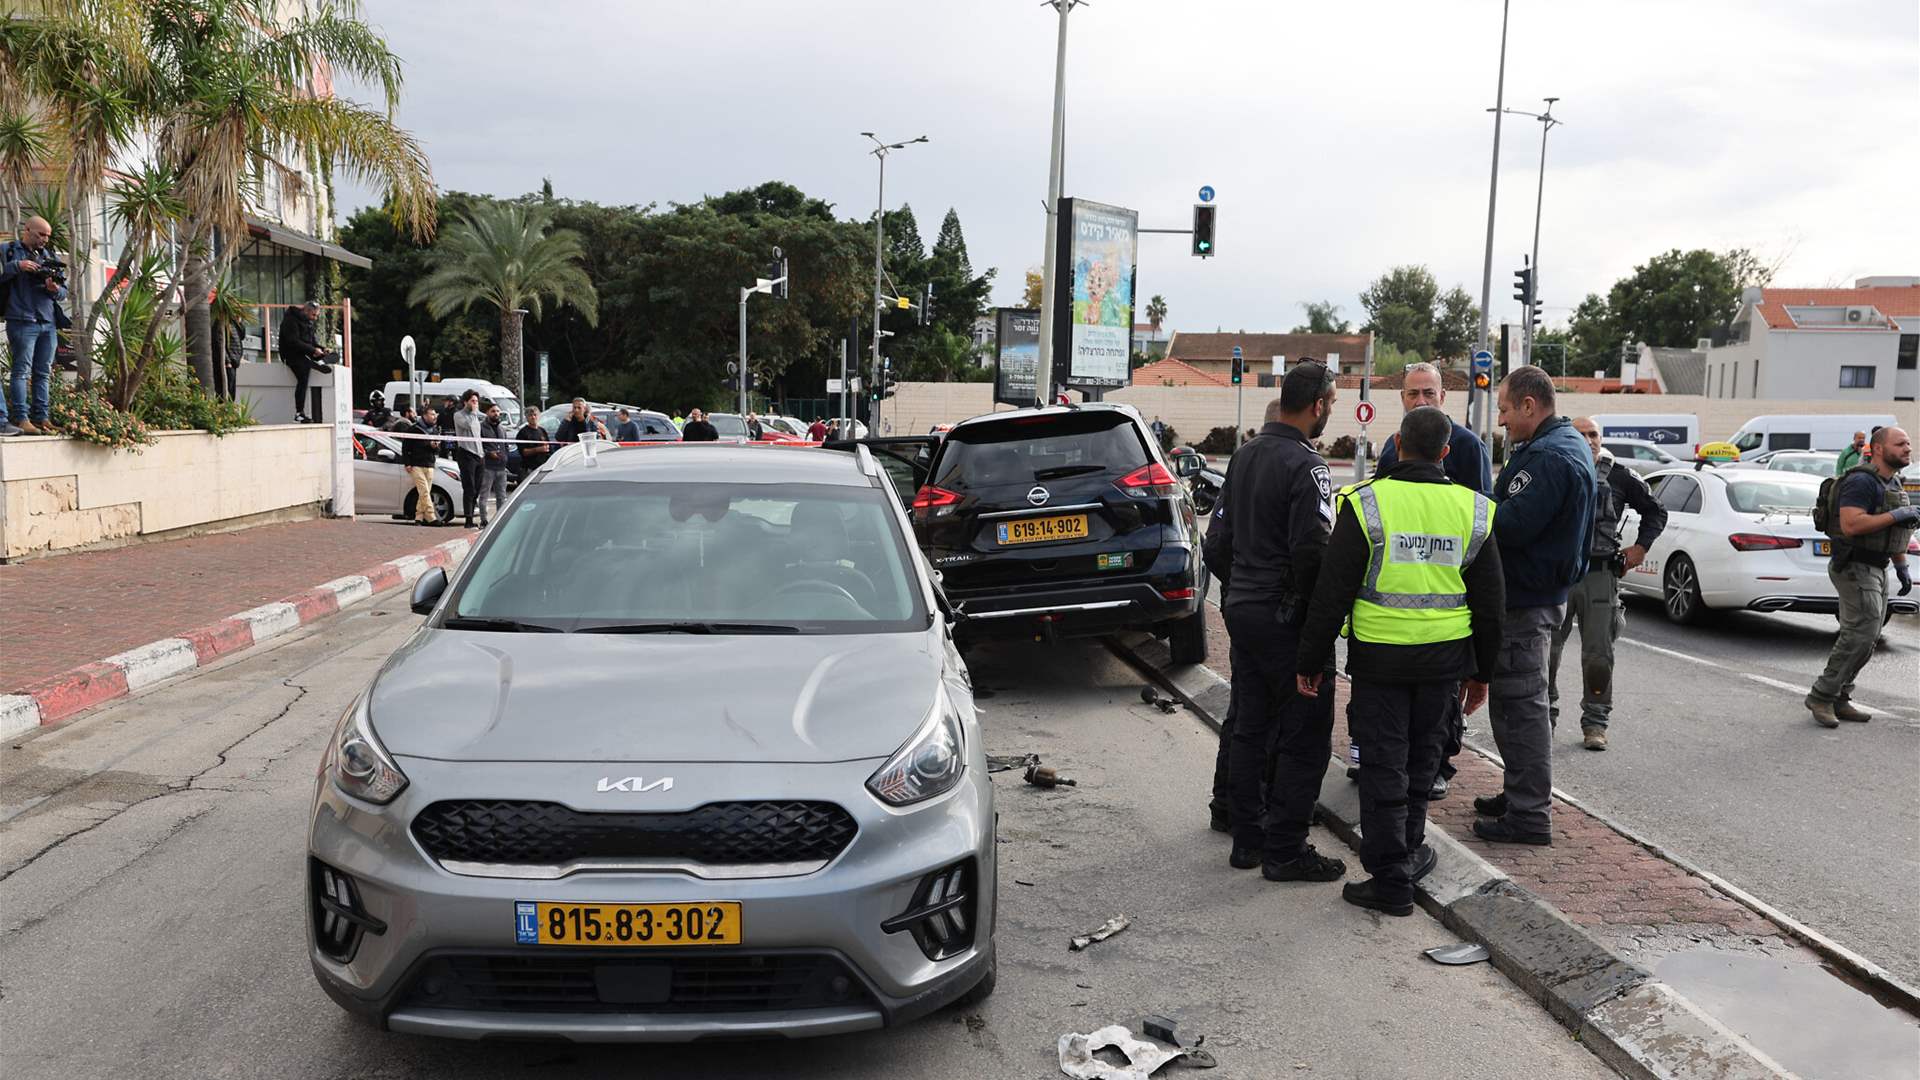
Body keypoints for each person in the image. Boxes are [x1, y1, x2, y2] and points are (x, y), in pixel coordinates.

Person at [1297, 406, 1505, 915]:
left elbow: (1332, 591)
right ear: (1446, 452)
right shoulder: (1474, 510)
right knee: (1421, 763)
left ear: (1396, 442)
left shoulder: (1367, 504)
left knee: (1384, 764)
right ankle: (1408, 855)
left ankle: (1391, 878)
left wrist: (1310, 658)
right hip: (1443, 665)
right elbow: (1491, 602)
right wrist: (1482, 674)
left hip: (1381, 661)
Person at [1216, 361, 1346, 882]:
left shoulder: (1243, 456)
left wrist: (1241, 589)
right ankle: (1286, 850)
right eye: (1331, 406)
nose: (1328, 416)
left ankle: (1247, 841)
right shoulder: (1309, 467)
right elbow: (1312, 554)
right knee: (1306, 736)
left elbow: (1219, 542)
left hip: (1243, 610)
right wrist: (1315, 636)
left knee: (1250, 727)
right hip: (1285, 617)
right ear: (1317, 405)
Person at [1473, 366, 1595, 846]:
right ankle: (1519, 791)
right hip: (1535, 595)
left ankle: (1528, 815)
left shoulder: (1548, 456)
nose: (1500, 419)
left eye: (1503, 408)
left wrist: (1469, 503)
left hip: (1527, 601)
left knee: (1522, 708)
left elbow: (1509, 524)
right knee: (1514, 706)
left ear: (1529, 405)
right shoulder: (1558, 446)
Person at [1363, 361, 1494, 799]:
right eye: (1413, 394)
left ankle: (1438, 766)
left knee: (1443, 704)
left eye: (1428, 394)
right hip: (1395, 605)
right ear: (1401, 398)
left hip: (1449, 603)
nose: (1420, 400)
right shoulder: (1391, 445)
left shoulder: (1469, 448)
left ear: (1444, 397)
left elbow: (1480, 523)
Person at [1549, 418, 1667, 750]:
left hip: (1600, 574)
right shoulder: (1556, 466)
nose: (1588, 440)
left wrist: (1641, 548)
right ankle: (1544, 720)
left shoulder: (1619, 475)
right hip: (1558, 574)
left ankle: (1596, 723)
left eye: (1594, 434)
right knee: (1547, 653)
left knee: (1599, 655)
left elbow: (1655, 511)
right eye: (1581, 434)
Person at [1807, 427, 1915, 727]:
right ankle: (1821, 695)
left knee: (1868, 640)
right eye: (1900, 444)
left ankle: (1840, 696)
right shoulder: (1861, 482)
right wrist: (1897, 516)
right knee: (1858, 635)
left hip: (1878, 567)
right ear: (1878, 449)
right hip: (1854, 565)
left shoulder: (1892, 481)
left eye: (1908, 443)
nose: (1907, 448)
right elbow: (1852, 524)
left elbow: (1894, 533)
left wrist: (1901, 564)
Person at [2, 215, 69, 437]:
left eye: (48, 236)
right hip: (21, 319)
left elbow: (63, 292)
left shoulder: (49, 256)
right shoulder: (8, 250)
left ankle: (42, 418)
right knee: (21, 371)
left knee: (43, 372)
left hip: (47, 321)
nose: (45, 240)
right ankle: (21, 418)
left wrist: (53, 288)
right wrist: (17, 266)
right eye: (41, 234)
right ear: (27, 229)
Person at [277, 300, 331, 422]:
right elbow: (293, 341)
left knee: (315, 357)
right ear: (306, 311)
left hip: (305, 352)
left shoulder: (308, 323)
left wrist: (322, 348)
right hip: (291, 354)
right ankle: (299, 413)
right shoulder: (290, 320)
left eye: (317, 315)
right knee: (303, 374)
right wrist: (313, 349)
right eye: (314, 315)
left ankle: (320, 360)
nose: (315, 318)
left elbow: (312, 342)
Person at [399, 405, 443, 526]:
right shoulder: (414, 429)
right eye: (432, 414)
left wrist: (435, 447)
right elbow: (405, 448)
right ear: (424, 415)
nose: (434, 417)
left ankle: (418, 518)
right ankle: (431, 516)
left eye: (435, 414)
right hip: (416, 464)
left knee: (424, 492)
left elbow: (438, 450)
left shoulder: (435, 430)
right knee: (424, 491)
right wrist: (407, 463)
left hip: (429, 464)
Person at [451, 389, 485, 528]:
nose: (475, 403)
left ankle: (472, 512)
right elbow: (468, 425)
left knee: (477, 487)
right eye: (472, 401)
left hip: (479, 454)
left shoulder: (477, 415)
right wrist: (474, 412)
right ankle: (468, 519)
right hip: (466, 453)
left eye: (476, 401)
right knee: (469, 487)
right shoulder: (459, 415)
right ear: (466, 402)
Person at [479, 400, 510, 526]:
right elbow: (479, 445)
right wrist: (488, 453)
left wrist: (505, 456)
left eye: (498, 411)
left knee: (501, 496)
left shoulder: (502, 429)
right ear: (487, 413)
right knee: (484, 495)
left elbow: (506, 445)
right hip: (488, 467)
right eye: (493, 411)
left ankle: (499, 520)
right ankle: (483, 520)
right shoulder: (481, 427)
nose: (496, 413)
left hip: (501, 468)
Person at [515, 409, 552, 478]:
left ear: (539, 416)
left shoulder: (542, 430)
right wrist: (538, 449)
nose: (533, 417)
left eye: (535, 415)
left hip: (542, 467)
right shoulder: (523, 432)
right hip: (529, 469)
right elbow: (524, 452)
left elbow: (549, 448)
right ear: (526, 417)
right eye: (530, 415)